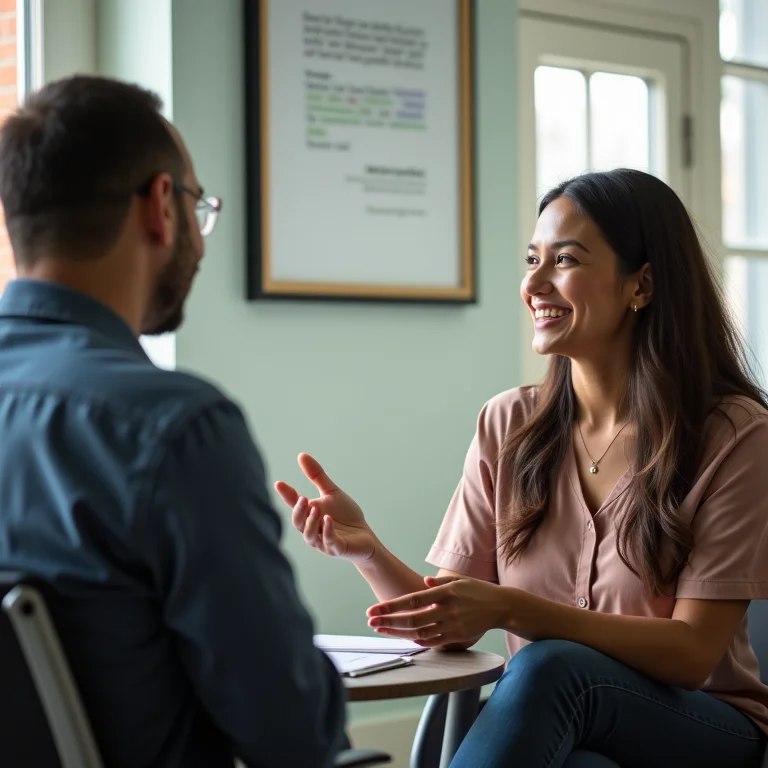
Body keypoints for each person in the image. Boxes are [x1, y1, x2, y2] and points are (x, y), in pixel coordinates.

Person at [277, 168, 768, 768]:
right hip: (570, 719)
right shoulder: (508, 423)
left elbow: (694, 653)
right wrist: (366, 550)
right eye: (532, 259)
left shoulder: (735, 434)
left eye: (563, 260)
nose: (534, 282)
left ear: (640, 285)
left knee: (548, 666)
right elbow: (454, 624)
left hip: (705, 726)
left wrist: (515, 609)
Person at [0, 75, 346, 768]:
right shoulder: (173, 430)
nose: (201, 235)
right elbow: (292, 735)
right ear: (162, 206)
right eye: (197, 203)